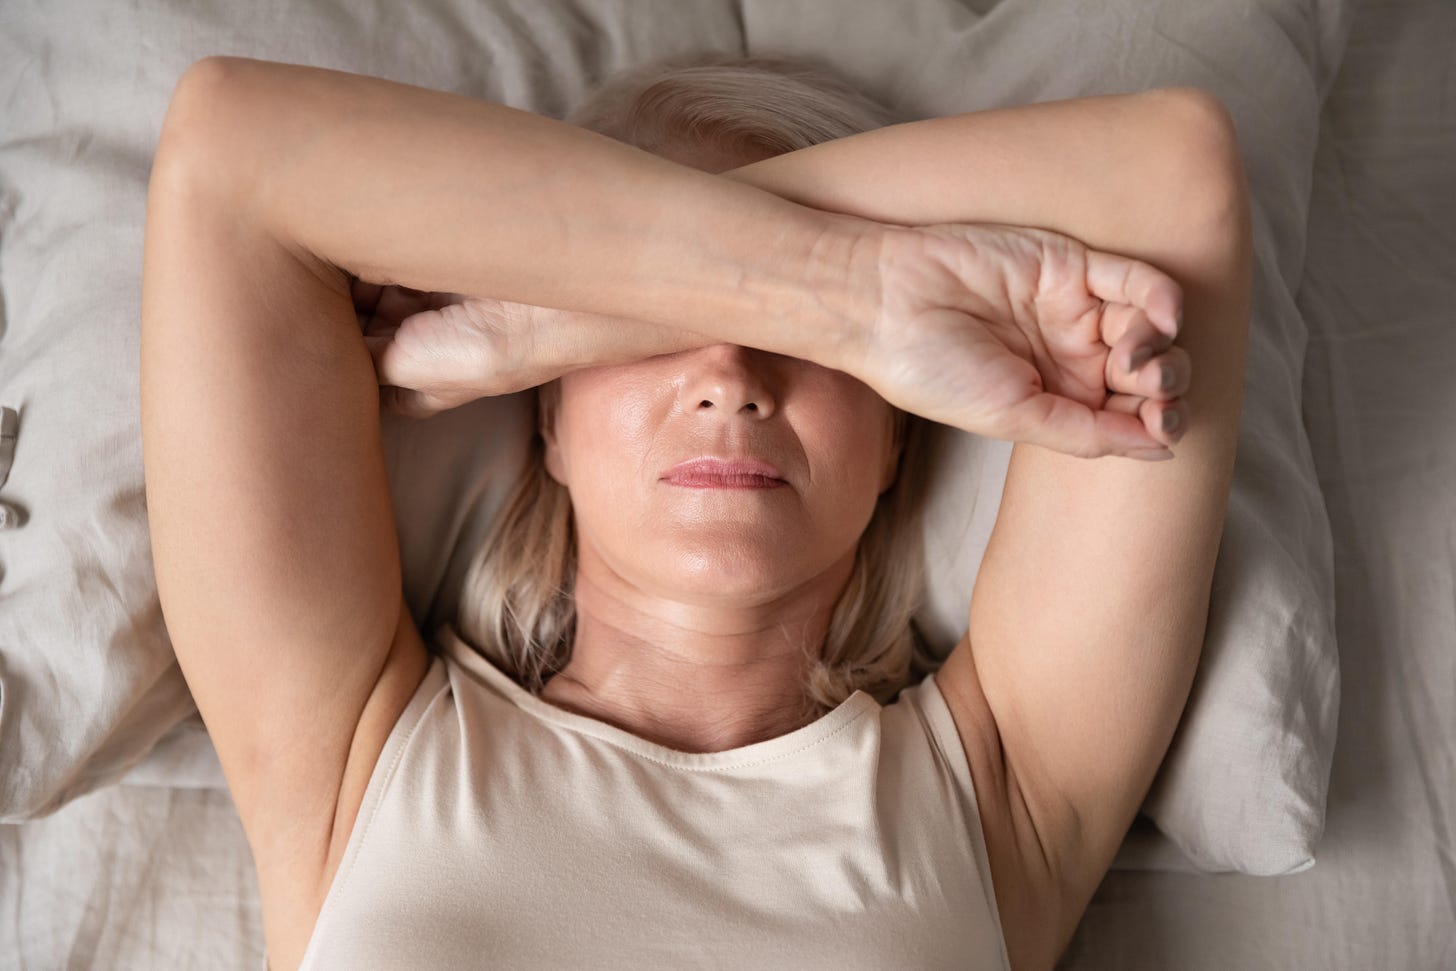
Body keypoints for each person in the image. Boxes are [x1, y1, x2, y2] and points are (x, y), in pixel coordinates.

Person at [140, 48, 1249, 971]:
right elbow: (230, 149)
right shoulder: (355, 757)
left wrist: (556, 315)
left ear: (897, 430)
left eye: (808, 343)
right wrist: (849, 297)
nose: (730, 373)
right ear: (549, 425)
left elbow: (1169, 174)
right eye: (650, 325)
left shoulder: (1000, 787)